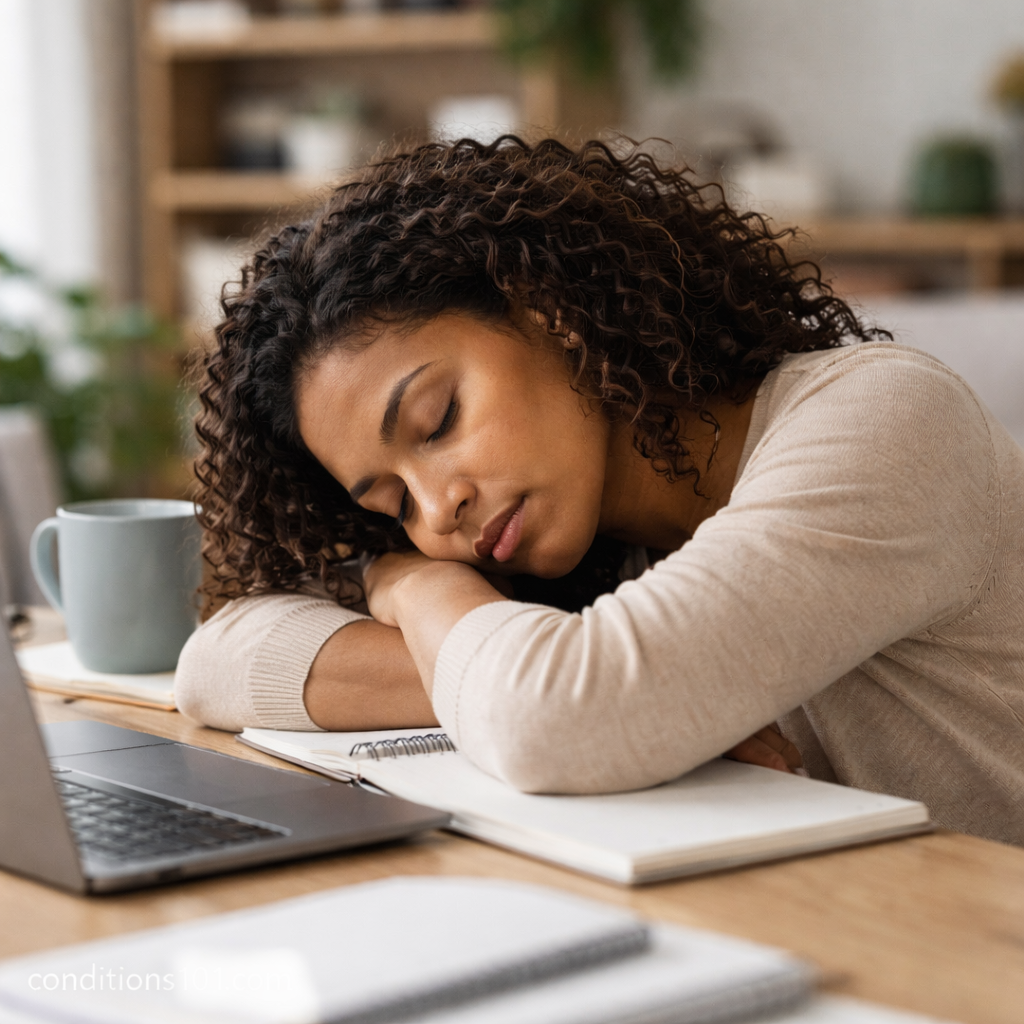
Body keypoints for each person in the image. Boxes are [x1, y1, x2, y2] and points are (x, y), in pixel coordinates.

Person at [177, 138, 1024, 846]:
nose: (437, 512)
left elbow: (554, 718)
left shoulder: (886, 421)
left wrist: (426, 590)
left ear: (552, 310)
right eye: (390, 504)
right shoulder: (590, 551)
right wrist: (502, 643)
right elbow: (217, 663)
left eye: (437, 421)